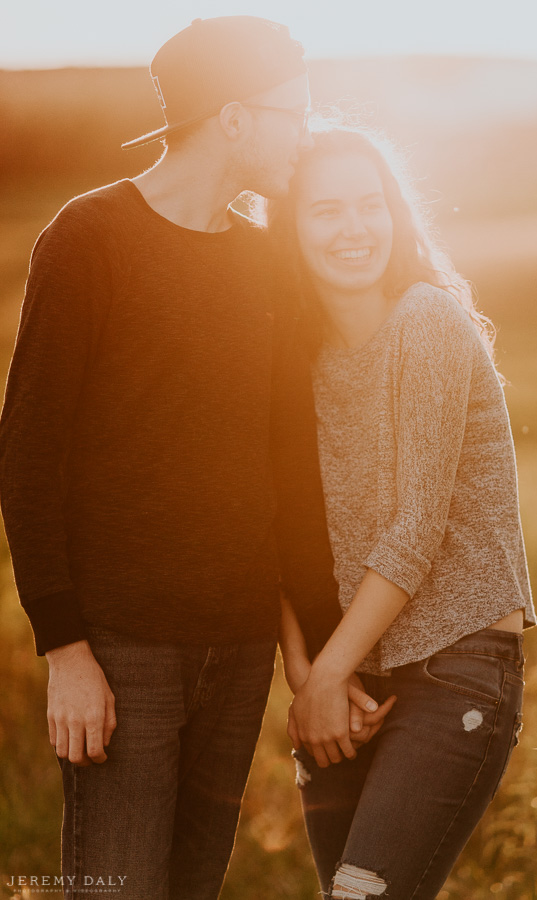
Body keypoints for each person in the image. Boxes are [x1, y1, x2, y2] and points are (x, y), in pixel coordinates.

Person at [0, 20, 384, 900]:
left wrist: (315, 655)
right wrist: (65, 649)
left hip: (240, 649)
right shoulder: (87, 237)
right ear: (237, 119)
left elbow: (288, 467)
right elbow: (26, 454)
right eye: (296, 113)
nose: (307, 134)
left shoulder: (264, 263)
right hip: (121, 650)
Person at [273, 125, 537, 900]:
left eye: (370, 204)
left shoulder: (425, 322)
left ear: (396, 215)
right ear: (290, 227)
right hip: (348, 679)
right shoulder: (293, 364)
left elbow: (414, 530)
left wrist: (325, 673)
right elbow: (275, 529)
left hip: (454, 669)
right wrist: (305, 672)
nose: (353, 229)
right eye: (325, 210)